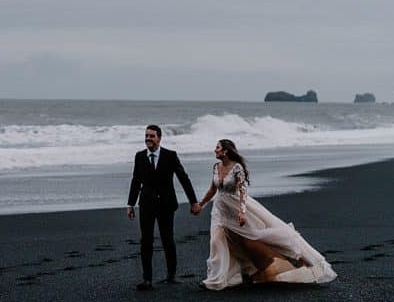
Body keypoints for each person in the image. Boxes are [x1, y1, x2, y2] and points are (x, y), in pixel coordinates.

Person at [194, 139, 337, 290]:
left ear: (226, 151)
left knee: (252, 239)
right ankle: (215, 280)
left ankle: (291, 259)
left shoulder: (237, 168)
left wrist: (242, 212)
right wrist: (201, 204)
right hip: (219, 210)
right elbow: (212, 189)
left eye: (217, 148)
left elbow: (242, 191)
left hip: (236, 207)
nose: (214, 150)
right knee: (217, 241)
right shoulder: (216, 167)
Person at [126, 124, 200, 290]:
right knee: (146, 240)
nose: (148, 139)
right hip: (146, 204)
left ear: (159, 138)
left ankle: (171, 275)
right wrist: (130, 203)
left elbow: (183, 178)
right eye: (146, 136)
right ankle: (147, 279)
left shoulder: (170, 156)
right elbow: (135, 180)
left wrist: (193, 201)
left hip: (166, 204)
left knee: (168, 239)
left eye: (152, 136)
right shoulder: (139, 156)